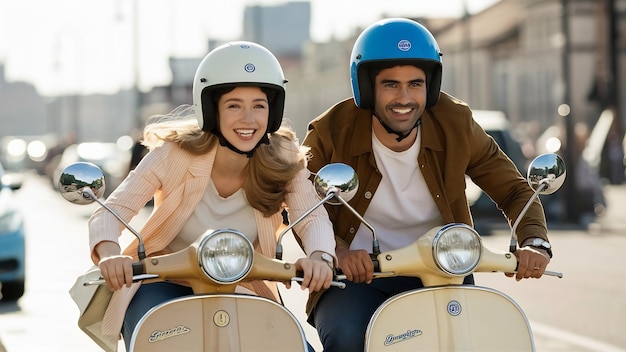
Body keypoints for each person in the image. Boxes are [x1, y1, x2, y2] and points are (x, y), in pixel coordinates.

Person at [301, 18, 553, 351]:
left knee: (477, 342)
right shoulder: (330, 130)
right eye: (390, 84)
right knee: (347, 337)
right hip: (357, 277)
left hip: (444, 270)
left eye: (415, 84)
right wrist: (338, 252)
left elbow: (513, 188)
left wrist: (533, 240)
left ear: (429, 86)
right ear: (366, 86)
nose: (404, 98)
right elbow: (302, 202)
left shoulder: (456, 122)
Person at [88, 41, 337, 351]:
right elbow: (111, 211)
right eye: (234, 105)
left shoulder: (283, 157)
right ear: (211, 109)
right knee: (153, 339)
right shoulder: (174, 154)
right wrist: (110, 253)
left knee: (296, 346)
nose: (249, 119)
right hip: (162, 283)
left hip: (240, 286)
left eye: (259, 105)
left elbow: (312, 217)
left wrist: (320, 256)